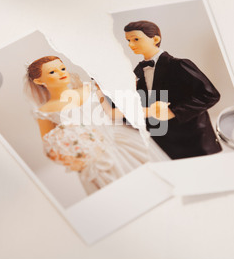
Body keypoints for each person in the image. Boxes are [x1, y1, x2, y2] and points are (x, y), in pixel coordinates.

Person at [24, 56, 169, 195]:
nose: (61, 73)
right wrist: (75, 155)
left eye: (62, 68)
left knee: (156, 178)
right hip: (94, 156)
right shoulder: (44, 111)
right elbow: (49, 146)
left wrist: (149, 110)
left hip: (121, 139)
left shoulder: (89, 88)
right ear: (38, 80)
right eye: (52, 72)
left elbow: (111, 113)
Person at [123, 20, 222, 159]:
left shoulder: (179, 65)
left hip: (193, 139)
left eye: (136, 39)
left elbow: (209, 95)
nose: (130, 44)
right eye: (128, 40)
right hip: (162, 144)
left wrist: (172, 112)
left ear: (155, 39)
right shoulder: (137, 72)